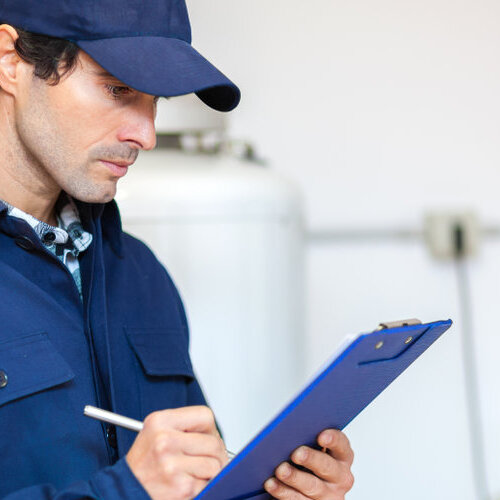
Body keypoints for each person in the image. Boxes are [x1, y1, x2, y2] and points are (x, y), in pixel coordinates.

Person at [0, 1, 355, 499]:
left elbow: (199, 482)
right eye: (116, 89)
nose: (145, 134)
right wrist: (127, 491)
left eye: (155, 102)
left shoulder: (140, 273)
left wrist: (273, 492)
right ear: (10, 60)